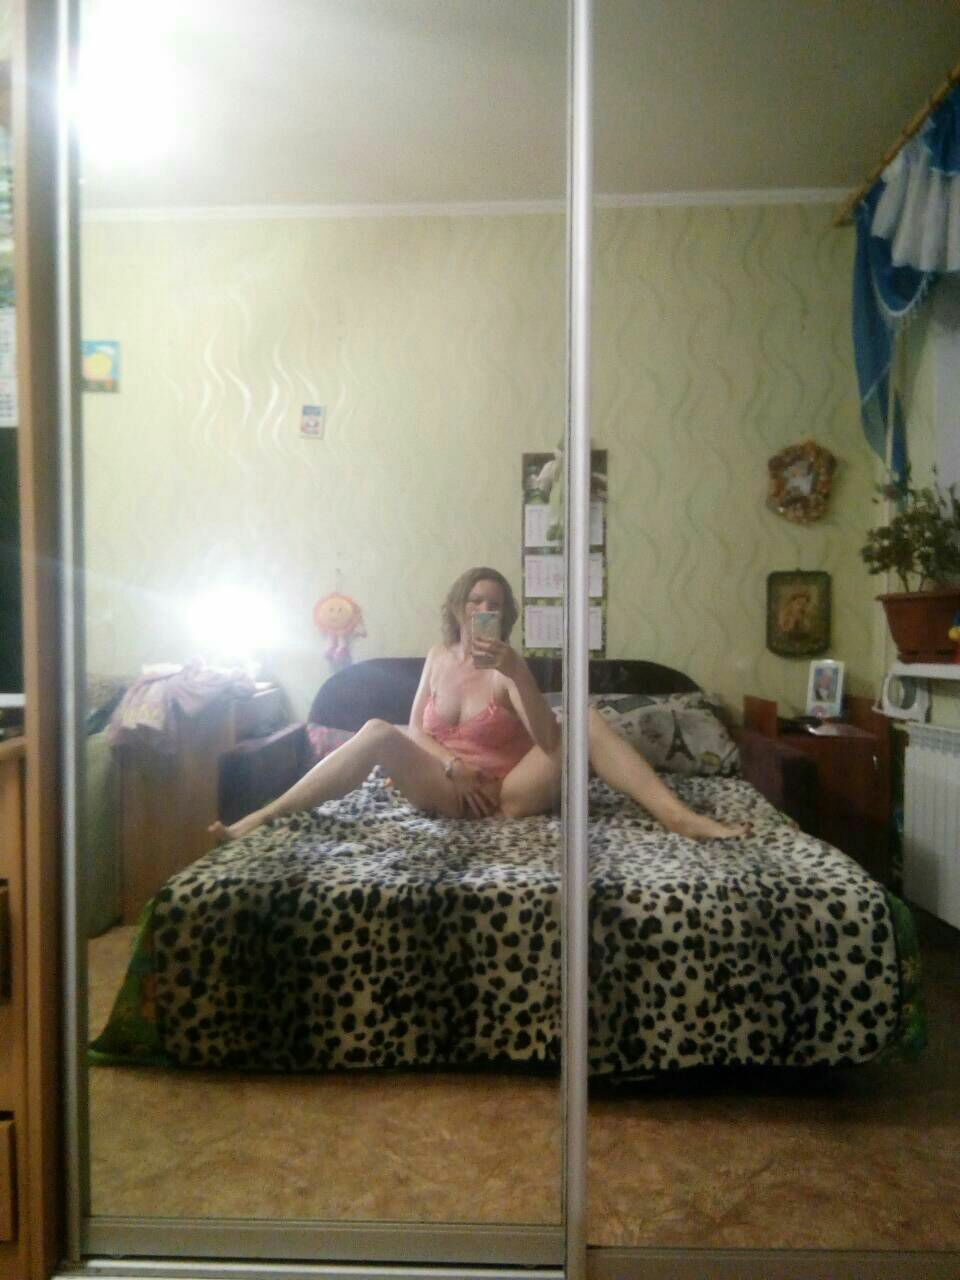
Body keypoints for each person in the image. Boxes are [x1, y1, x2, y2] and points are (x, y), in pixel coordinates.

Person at [210, 567, 744, 842]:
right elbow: (415, 729)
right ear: (459, 608)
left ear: (505, 616)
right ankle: (262, 816)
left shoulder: (509, 665)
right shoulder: (437, 656)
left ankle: (680, 818)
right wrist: (451, 764)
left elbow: (550, 743)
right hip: (444, 785)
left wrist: (516, 672)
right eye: (476, 601)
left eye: (496, 604)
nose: (485, 609)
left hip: (510, 792)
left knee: (582, 719)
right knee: (376, 728)